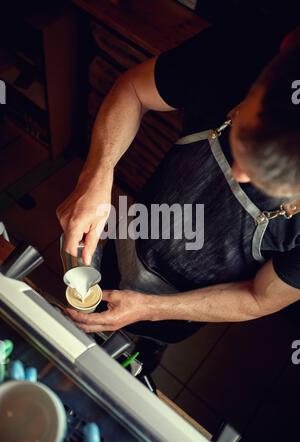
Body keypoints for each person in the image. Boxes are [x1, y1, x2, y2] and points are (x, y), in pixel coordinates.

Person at [57, 18, 300, 373]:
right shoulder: (242, 48)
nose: (238, 174)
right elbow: (133, 90)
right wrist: (96, 174)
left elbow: (259, 297)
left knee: (145, 345)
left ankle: (150, 346)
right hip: (133, 233)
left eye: (270, 179)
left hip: (180, 306)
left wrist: (152, 309)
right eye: (243, 142)